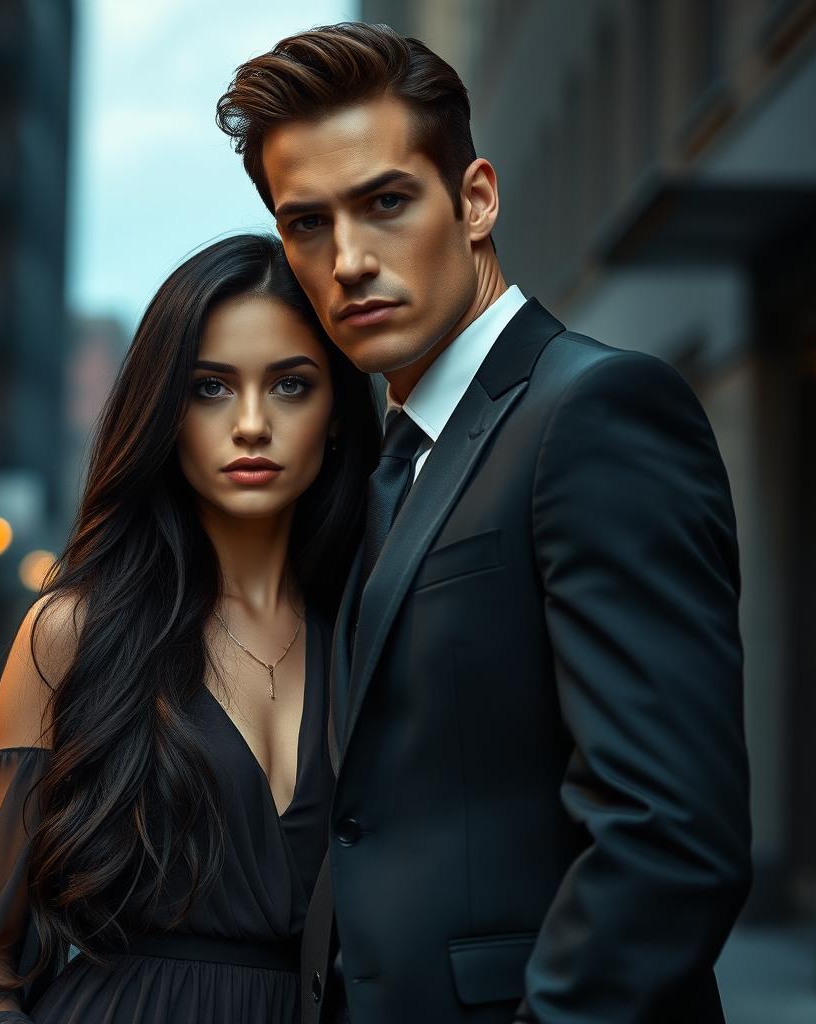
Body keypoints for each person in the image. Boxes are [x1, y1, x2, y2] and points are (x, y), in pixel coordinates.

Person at [216, 22, 752, 1024]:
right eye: (306, 224)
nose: (348, 260)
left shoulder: (593, 412)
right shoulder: (386, 462)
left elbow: (667, 835)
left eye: (384, 202)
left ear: (474, 199)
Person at [0, 233, 380, 1024]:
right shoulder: (74, 634)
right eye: (210, 389)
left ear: (335, 416)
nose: (252, 424)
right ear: (165, 411)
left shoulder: (368, 635)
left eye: (291, 386)